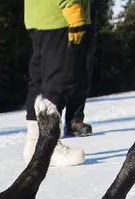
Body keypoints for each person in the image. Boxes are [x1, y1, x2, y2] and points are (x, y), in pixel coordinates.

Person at [24, 0, 89, 166]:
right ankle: (47, 146)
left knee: (39, 80)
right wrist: (70, 5)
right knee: (56, 80)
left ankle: (34, 143)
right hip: (58, 14)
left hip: (40, 14)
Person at [63, 0, 96, 137]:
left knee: (82, 69)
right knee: (54, 72)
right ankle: (43, 126)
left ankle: (74, 120)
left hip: (85, 14)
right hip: (58, 17)